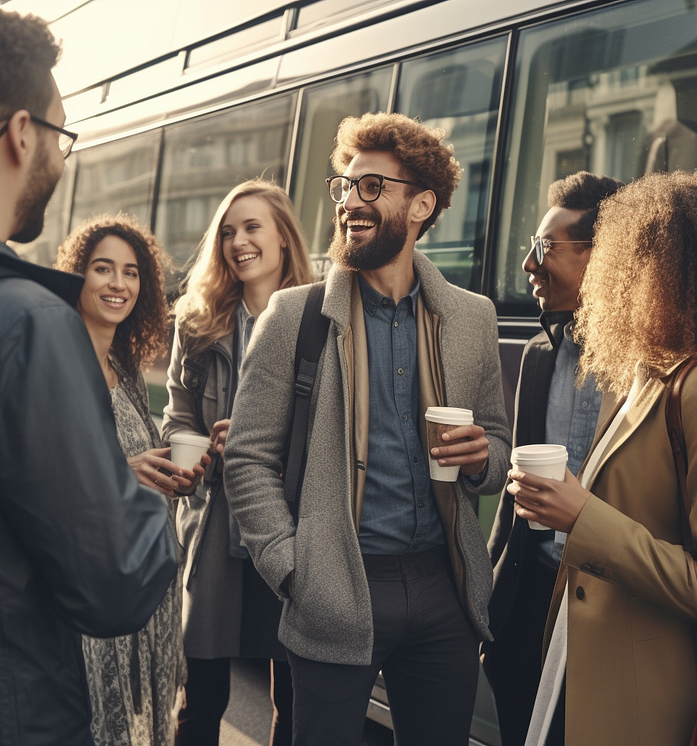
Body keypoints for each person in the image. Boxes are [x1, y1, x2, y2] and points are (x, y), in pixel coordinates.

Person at [223, 112, 512, 746]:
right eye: (344, 187)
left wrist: (483, 455)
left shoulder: (472, 318)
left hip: (446, 594)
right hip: (335, 586)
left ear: (422, 205)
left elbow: (499, 451)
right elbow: (245, 458)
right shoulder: (293, 315)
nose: (350, 202)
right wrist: (293, 570)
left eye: (372, 187)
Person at [508, 170, 697, 746]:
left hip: (656, 700)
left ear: (661, 272)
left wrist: (582, 517)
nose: (607, 278)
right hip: (586, 666)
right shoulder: (647, 374)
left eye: (619, 259)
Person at [0, 10, 177, 746]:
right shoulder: (33, 323)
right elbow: (118, 579)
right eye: (62, 135)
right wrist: (131, 496)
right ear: (20, 133)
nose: (62, 158)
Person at [162, 179, 314, 746]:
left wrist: (263, 444)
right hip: (218, 532)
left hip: (292, 529)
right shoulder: (196, 323)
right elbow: (176, 419)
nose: (238, 242)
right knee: (201, 702)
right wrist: (204, 445)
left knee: (294, 701)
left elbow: (336, 424)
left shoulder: (319, 320)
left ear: (282, 239)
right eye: (228, 231)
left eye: (252, 228)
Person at [482, 171, 623, 746]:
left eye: (546, 248)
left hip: (609, 608)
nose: (528, 265)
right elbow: (512, 503)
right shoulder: (540, 355)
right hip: (529, 603)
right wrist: (488, 602)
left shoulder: (656, 369)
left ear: (604, 256)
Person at [55, 214, 194, 746]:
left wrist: (174, 472)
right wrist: (121, 473)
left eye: (131, 272)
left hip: (146, 579)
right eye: (103, 269)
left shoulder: (126, 365)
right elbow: (39, 475)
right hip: (90, 588)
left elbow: (141, 460)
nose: (118, 284)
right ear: (77, 276)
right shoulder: (57, 362)